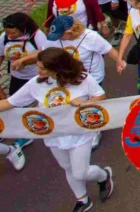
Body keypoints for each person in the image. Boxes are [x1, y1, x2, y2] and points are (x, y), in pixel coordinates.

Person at [0, 48, 113, 212]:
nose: (38, 71)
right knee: (68, 168)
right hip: (54, 135)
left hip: (79, 133)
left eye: (42, 68)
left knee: (80, 172)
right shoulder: (35, 83)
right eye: (38, 66)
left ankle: (103, 176)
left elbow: (100, 95)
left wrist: (85, 103)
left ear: (58, 68)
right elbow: (10, 103)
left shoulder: (83, 79)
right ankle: (83, 200)